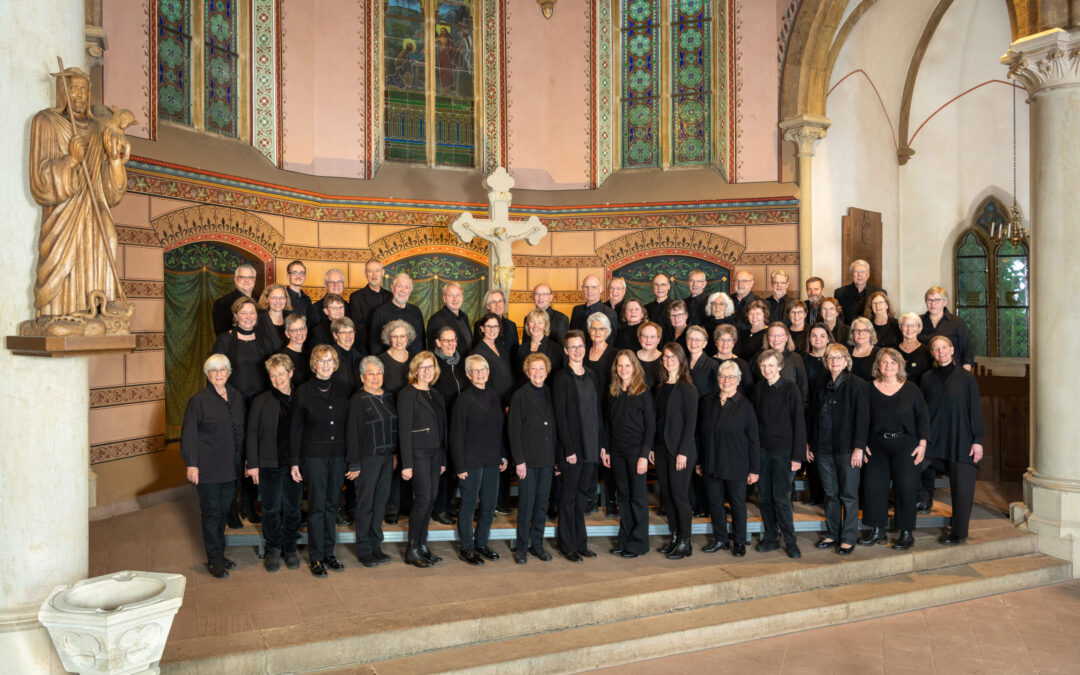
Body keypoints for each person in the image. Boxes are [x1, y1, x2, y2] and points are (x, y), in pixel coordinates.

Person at [29, 67, 131, 329]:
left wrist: (115, 161)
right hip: (64, 210)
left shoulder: (97, 130)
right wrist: (71, 160)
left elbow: (110, 191)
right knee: (65, 256)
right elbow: (40, 180)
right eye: (73, 89)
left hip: (94, 203)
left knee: (109, 237)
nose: (79, 95)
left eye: (84, 90)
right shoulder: (46, 122)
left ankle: (98, 307)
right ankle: (58, 311)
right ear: (63, 92)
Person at [181, 354, 246, 578]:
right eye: (214, 371)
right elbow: (189, 434)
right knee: (211, 513)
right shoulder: (198, 401)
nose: (219, 374)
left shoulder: (237, 397)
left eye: (222, 370)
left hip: (230, 467)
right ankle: (214, 560)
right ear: (207, 375)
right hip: (207, 468)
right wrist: (192, 464)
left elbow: (241, 432)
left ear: (229, 372)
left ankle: (219, 554)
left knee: (223, 513)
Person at [859, 349, 930, 550]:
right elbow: (861, 418)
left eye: (892, 362)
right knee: (874, 487)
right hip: (876, 446)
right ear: (877, 366)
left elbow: (923, 418)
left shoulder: (912, 389)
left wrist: (923, 444)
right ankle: (877, 530)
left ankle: (906, 532)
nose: (888, 366)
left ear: (899, 365)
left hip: (906, 446)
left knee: (906, 488)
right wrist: (861, 443)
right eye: (883, 362)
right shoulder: (868, 389)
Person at [289, 344, 351, 577]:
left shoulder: (344, 389)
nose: (325, 365)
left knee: (331, 505)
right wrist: (295, 462)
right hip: (313, 457)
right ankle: (316, 556)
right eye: (321, 361)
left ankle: (328, 552)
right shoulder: (303, 391)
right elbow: (295, 430)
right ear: (314, 365)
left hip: (337, 456)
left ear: (335, 364)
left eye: (329, 361)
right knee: (316, 506)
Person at [212, 296, 274, 526]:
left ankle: (249, 505)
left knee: (252, 455)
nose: (249, 318)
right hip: (233, 406)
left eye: (252, 313)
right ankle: (230, 509)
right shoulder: (225, 340)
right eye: (244, 313)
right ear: (235, 316)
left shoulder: (265, 341)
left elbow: (272, 373)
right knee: (232, 457)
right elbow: (215, 375)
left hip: (258, 406)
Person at [920, 336, 985, 545]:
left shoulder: (966, 378)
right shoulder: (927, 378)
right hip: (933, 439)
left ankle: (959, 531)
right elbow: (921, 411)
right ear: (932, 353)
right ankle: (908, 519)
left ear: (952, 350)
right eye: (936, 349)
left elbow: (974, 409)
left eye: (944, 348)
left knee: (963, 486)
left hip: (961, 438)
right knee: (909, 468)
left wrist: (977, 439)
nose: (941, 352)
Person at [807, 344, 869, 555]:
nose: (834, 361)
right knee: (830, 493)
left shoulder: (857, 385)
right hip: (823, 448)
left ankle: (848, 537)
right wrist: (809, 443)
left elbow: (863, 419)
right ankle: (833, 533)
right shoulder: (820, 383)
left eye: (839, 357)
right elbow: (812, 415)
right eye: (830, 357)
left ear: (846, 360)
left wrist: (859, 448)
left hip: (847, 448)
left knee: (848, 495)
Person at [552, 331, 606, 562]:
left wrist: (602, 445)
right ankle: (567, 544)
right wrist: (569, 449)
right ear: (565, 351)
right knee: (569, 497)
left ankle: (581, 543)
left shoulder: (592, 375)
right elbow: (560, 416)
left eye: (580, 346)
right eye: (572, 347)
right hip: (573, 450)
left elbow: (598, 412)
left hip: (591, 446)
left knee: (583, 496)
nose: (577, 350)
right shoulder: (561, 377)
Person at [696, 360, 759, 557]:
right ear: (717, 379)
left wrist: (754, 469)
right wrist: (699, 461)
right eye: (723, 376)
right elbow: (699, 434)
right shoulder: (707, 402)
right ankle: (721, 539)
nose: (726, 380)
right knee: (714, 503)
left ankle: (739, 541)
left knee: (737, 504)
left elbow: (753, 439)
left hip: (736, 464)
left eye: (731, 377)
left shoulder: (745, 406)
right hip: (711, 462)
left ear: (738, 380)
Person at [245, 354, 302, 572]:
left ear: (290, 373)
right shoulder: (261, 400)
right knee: (270, 509)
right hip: (269, 464)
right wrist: (253, 464)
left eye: (281, 374)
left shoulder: (301, 397)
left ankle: (290, 548)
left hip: (294, 465)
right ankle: (274, 548)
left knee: (293, 509)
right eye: (272, 375)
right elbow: (251, 433)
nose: (277, 379)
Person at [451, 355, 508, 565]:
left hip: (492, 459)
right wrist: (460, 465)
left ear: (488, 371)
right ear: (468, 374)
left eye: (483, 369)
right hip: (471, 462)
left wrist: (502, 454)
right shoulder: (463, 400)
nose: (480, 373)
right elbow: (456, 436)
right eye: (475, 370)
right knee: (468, 504)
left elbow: (500, 429)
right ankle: (467, 547)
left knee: (488, 504)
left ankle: (481, 543)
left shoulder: (494, 395)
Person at [344, 356, 397, 568]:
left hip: (387, 459)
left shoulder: (389, 396)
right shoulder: (358, 399)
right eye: (371, 374)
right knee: (365, 504)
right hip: (367, 460)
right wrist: (354, 463)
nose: (375, 377)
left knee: (380, 503)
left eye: (378, 373)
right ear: (362, 377)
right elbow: (352, 433)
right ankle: (364, 548)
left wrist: (395, 455)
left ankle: (376, 545)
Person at [753, 349, 806, 559]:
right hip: (762, 451)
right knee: (764, 497)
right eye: (764, 366)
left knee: (781, 498)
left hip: (784, 452)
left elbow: (799, 422)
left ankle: (791, 541)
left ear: (780, 367)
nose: (767, 369)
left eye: (771, 365)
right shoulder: (758, 388)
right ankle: (771, 538)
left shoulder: (790, 388)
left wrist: (797, 456)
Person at [397, 351, 448, 567]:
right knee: (424, 499)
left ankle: (423, 545)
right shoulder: (408, 394)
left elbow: (443, 428)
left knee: (432, 498)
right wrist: (406, 464)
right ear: (415, 370)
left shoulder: (436, 394)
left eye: (430, 366)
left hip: (436, 453)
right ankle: (412, 549)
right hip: (418, 453)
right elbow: (404, 430)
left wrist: (443, 458)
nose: (426, 371)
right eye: (422, 367)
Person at [508, 353, 558, 564]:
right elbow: (514, 431)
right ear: (528, 372)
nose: (538, 373)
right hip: (527, 460)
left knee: (541, 504)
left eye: (541, 369)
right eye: (534, 369)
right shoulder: (520, 395)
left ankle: (537, 544)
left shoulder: (549, 392)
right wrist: (519, 460)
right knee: (526, 504)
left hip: (547, 458)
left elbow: (554, 428)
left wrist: (556, 458)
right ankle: (521, 547)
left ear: (546, 372)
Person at [604, 351, 655, 558]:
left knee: (638, 498)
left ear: (635, 367)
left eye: (627, 365)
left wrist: (644, 455)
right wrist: (606, 449)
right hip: (617, 451)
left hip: (636, 453)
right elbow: (608, 423)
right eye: (620, 365)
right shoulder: (613, 391)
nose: (623, 369)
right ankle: (624, 539)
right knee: (623, 496)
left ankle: (638, 543)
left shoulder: (643, 392)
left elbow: (650, 427)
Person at [653, 343, 698, 560]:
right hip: (661, 449)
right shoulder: (661, 386)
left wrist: (683, 452)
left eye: (674, 357)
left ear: (681, 360)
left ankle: (685, 542)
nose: (669, 360)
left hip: (680, 451)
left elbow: (690, 424)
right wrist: (653, 447)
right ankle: (674, 537)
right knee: (667, 496)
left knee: (680, 496)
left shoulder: (687, 388)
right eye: (666, 357)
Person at [378, 319, 415, 526]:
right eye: (395, 336)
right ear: (388, 338)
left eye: (402, 336)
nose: (399, 340)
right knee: (392, 463)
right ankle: (391, 508)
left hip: (411, 419)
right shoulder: (381, 360)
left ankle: (406, 505)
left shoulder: (415, 359)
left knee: (408, 458)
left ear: (408, 337)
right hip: (389, 418)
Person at [431, 326, 467, 528]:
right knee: (442, 468)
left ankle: (448, 502)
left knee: (454, 465)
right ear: (438, 342)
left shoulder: (461, 364)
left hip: (458, 424)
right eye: (446, 341)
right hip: (440, 424)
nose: (450, 344)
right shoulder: (434, 364)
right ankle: (439, 508)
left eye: (453, 340)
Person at [918, 286, 974, 370]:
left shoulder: (957, 322)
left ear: (945, 302)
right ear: (926, 302)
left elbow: (967, 350)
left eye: (937, 300)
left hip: (952, 371)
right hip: (925, 372)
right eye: (930, 300)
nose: (933, 303)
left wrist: (965, 375)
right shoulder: (918, 321)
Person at [369, 273, 425, 356]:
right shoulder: (380, 312)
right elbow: (375, 346)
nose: (402, 291)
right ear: (392, 288)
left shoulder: (416, 311)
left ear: (410, 291)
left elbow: (421, 343)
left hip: (413, 364)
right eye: (399, 286)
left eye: (406, 287)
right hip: (389, 364)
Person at [472, 312, 515, 405]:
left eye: (495, 326)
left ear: (499, 329)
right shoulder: (478, 352)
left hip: (509, 398)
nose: (492, 330)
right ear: (482, 328)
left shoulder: (500, 347)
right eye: (488, 326)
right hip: (494, 401)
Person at [759, 322, 809, 404]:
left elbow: (803, 387)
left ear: (786, 338)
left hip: (790, 406)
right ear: (767, 338)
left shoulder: (796, 358)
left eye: (780, 335)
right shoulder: (760, 357)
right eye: (772, 335)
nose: (776, 339)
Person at [517, 308, 564, 382]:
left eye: (540, 322)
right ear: (528, 325)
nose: (535, 326)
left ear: (545, 326)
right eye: (532, 321)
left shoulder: (555, 348)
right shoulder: (521, 349)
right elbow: (519, 376)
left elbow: (557, 377)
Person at [472, 289, 519, 362]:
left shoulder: (511, 325)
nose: (498, 305)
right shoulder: (479, 324)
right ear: (488, 306)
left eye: (500, 301)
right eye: (493, 302)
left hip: (509, 370)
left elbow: (516, 354)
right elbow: (478, 353)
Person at [212, 264, 257, 337]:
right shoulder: (222, 303)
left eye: (250, 277)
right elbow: (222, 335)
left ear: (254, 280)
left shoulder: (260, 301)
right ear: (235, 280)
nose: (246, 280)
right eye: (242, 277)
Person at [570, 275, 618, 341]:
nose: (589, 291)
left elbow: (610, 343)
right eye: (586, 287)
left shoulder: (610, 314)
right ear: (582, 288)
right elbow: (571, 336)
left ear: (600, 289)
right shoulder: (576, 310)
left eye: (593, 287)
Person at [426, 282, 472, 352]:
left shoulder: (464, 317)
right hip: (450, 362)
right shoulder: (436, 320)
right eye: (451, 295)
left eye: (458, 295)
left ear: (462, 297)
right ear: (444, 298)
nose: (455, 299)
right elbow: (434, 350)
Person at [834, 259, 883, 324]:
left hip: (873, 331)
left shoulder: (879, 292)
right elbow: (837, 318)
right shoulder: (839, 293)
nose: (859, 275)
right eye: (856, 271)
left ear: (868, 275)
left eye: (863, 271)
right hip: (847, 331)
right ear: (851, 274)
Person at [349, 258, 392, 332]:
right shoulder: (356, 297)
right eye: (370, 271)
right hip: (366, 342)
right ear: (365, 274)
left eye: (377, 271)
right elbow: (357, 327)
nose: (374, 275)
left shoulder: (391, 296)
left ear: (382, 273)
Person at [713, 324, 753, 396]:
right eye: (721, 339)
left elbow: (748, 391)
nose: (725, 343)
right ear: (716, 342)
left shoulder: (743, 365)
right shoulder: (709, 363)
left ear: (733, 343)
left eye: (729, 340)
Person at [898, 312, 933, 387]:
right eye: (906, 325)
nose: (909, 328)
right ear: (901, 327)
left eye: (913, 325)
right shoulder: (893, 351)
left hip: (920, 395)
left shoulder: (928, 352)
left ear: (919, 328)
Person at [277, 313, 312, 385]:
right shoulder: (282, 358)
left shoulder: (308, 354)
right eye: (294, 330)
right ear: (287, 334)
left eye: (301, 329)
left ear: (306, 330)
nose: (299, 333)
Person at [256, 283, 291, 351]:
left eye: (281, 297)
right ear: (267, 299)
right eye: (274, 297)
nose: (278, 301)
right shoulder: (258, 321)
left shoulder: (291, 319)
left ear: (286, 300)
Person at [686, 325, 718, 399]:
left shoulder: (713, 365)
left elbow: (716, 392)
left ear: (704, 344)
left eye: (698, 340)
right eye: (690, 339)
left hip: (703, 408)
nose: (693, 342)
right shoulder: (682, 362)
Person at [702, 291, 736, 356]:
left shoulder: (733, 326)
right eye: (714, 304)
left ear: (727, 306)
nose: (717, 307)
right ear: (710, 306)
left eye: (721, 304)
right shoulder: (704, 326)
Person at [283, 260, 316, 327]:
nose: (298, 276)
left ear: (305, 277)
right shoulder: (282, 297)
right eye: (294, 273)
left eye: (301, 273)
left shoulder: (307, 299)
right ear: (288, 276)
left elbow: (310, 324)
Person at [849, 316, 879, 381]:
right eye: (857, 330)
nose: (861, 334)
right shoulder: (846, 352)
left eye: (865, 330)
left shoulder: (879, 353)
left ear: (871, 333)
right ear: (852, 333)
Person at [636, 321, 664, 388]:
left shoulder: (665, 359)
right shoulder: (631, 358)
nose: (648, 340)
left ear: (658, 339)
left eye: (652, 337)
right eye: (645, 336)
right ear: (639, 338)